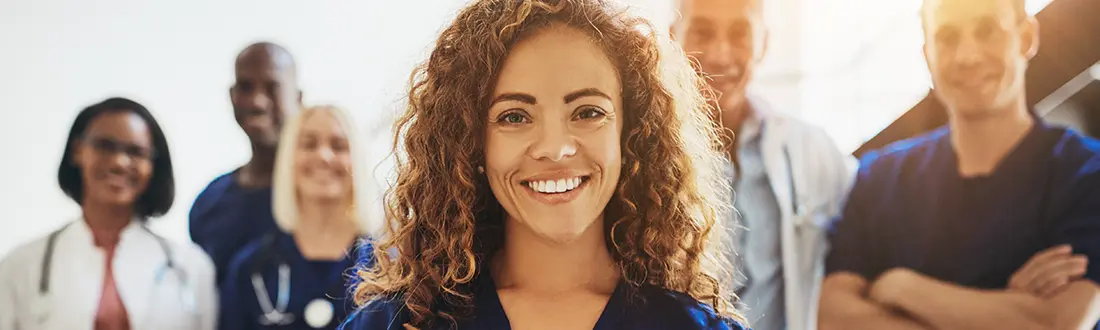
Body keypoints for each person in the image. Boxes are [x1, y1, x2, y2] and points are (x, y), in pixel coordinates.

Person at [338, 0, 748, 329]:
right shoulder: (395, 324)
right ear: (472, 145)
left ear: (630, 133)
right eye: (514, 116)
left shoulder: (691, 326)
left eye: (588, 112)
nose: (555, 148)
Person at [818, 0, 1100, 329]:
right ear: (928, 56)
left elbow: (1057, 323)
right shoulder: (880, 179)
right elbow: (832, 317)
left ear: (1026, 38)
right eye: (948, 37)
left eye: (987, 31)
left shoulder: (1086, 175)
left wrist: (901, 287)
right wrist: (1004, 313)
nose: (968, 56)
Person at [672, 0, 855, 329]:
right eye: (702, 33)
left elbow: (869, 230)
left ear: (763, 43)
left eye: (740, 34)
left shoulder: (811, 149)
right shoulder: (637, 157)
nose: (720, 55)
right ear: (674, 38)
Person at [0, 97, 218, 330]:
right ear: (77, 151)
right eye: (105, 146)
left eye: (136, 152)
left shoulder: (192, 268)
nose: (119, 162)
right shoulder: (22, 266)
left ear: (153, 166)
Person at [218, 105, 379, 330]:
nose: (324, 156)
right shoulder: (251, 270)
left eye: (339, 146)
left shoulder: (389, 270)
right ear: (289, 159)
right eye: (309, 144)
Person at [190, 41, 304, 286]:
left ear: (298, 99)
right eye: (245, 87)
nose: (257, 102)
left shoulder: (326, 197)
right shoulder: (208, 204)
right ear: (232, 96)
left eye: (272, 88)